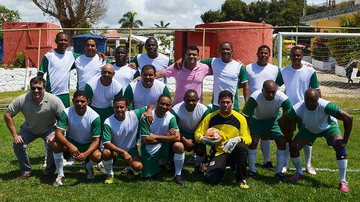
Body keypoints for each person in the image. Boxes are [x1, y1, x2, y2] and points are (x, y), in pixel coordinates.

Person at [286, 89, 352, 193]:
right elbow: (283, 120)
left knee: (340, 146)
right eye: (308, 100)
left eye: (313, 101)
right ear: (304, 99)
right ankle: (299, 173)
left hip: (328, 128)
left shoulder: (325, 105)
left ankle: (343, 181)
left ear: (318, 99)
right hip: (309, 129)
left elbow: (348, 118)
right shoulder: (299, 107)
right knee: (293, 147)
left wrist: (345, 140)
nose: (310, 103)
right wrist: (288, 137)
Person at [4, 76, 65, 179]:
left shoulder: (54, 100)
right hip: (29, 129)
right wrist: (15, 135)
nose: (36, 90)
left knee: (53, 143)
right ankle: (26, 171)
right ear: (30, 88)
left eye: (39, 88)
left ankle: (50, 171)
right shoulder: (23, 99)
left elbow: (64, 119)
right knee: (18, 144)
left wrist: (55, 134)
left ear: (44, 89)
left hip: (49, 128)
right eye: (33, 88)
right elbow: (7, 115)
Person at [195, 90, 251, 188]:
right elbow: (197, 134)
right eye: (223, 102)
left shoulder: (240, 118)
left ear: (232, 102)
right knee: (211, 180)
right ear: (218, 102)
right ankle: (220, 168)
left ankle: (240, 179)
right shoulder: (211, 117)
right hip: (220, 152)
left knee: (242, 147)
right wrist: (204, 139)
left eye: (228, 102)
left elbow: (248, 138)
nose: (225, 105)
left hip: (234, 152)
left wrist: (237, 139)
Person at [278, 46, 320, 175]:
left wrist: (319, 109)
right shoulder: (284, 71)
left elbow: (317, 91)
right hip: (289, 110)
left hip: (306, 109)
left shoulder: (310, 71)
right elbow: (275, 86)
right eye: (294, 55)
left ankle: (308, 165)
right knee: (287, 137)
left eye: (299, 55)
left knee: (307, 138)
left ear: (302, 56)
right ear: (290, 56)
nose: (296, 57)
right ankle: (285, 164)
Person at [50, 90, 102, 187]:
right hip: (71, 141)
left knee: (98, 156)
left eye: (83, 101)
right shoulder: (66, 112)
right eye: (77, 101)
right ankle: (60, 174)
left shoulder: (95, 116)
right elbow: (58, 133)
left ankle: (88, 166)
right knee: (55, 145)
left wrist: (85, 154)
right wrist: (70, 146)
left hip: (87, 144)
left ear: (88, 102)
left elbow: (96, 141)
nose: (80, 104)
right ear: (72, 101)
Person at [242, 80, 292, 180]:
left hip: (273, 120)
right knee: (253, 143)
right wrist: (248, 133)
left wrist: (285, 128)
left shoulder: (282, 98)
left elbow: (290, 114)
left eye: (273, 92)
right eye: (267, 91)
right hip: (257, 120)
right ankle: (252, 171)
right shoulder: (255, 97)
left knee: (282, 142)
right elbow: (246, 116)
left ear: (276, 90)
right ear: (262, 90)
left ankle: (279, 172)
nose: (270, 94)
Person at [246, 45, 284, 169]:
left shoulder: (275, 69)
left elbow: (277, 85)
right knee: (254, 138)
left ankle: (267, 161)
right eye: (261, 53)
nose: (263, 55)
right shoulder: (248, 68)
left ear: (269, 55)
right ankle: (249, 162)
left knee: (266, 135)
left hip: (270, 107)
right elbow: (245, 85)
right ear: (257, 53)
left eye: (266, 53)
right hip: (254, 107)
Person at [101, 96, 153, 184]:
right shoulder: (108, 121)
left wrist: (149, 111)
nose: (119, 109)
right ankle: (109, 174)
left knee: (138, 167)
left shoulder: (134, 114)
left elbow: (150, 105)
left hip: (131, 149)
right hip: (115, 150)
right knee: (106, 152)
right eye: (116, 107)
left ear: (127, 108)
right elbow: (106, 143)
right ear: (113, 108)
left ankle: (129, 166)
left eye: (122, 107)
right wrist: (123, 152)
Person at [140, 94, 185, 185]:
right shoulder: (146, 116)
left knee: (179, 146)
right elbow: (146, 140)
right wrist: (167, 136)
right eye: (162, 104)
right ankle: (161, 163)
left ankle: (178, 175)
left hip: (164, 145)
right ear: (157, 103)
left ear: (170, 106)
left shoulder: (171, 117)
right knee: (147, 177)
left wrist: (156, 136)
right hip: (149, 148)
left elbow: (177, 137)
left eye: (167, 105)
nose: (164, 107)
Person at [200, 41, 249, 111]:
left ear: (232, 51)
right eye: (223, 49)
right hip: (217, 105)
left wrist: (246, 103)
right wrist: (182, 60)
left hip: (233, 106)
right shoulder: (213, 62)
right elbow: (196, 62)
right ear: (219, 51)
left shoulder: (239, 66)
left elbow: (245, 85)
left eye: (228, 49)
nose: (225, 51)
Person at [171, 90, 211, 173]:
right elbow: (174, 129)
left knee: (201, 144)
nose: (191, 103)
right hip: (181, 133)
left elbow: (204, 128)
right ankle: (172, 163)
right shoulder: (176, 109)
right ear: (184, 99)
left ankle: (199, 165)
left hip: (197, 133)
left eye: (193, 100)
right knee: (177, 146)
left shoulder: (204, 110)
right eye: (188, 100)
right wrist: (185, 140)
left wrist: (197, 139)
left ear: (198, 100)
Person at [37, 32, 74, 108]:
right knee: (50, 118)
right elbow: (40, 75)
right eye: (61, 40)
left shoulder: (71, 55)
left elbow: (86, 57)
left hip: (65, 94)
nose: (63, 42)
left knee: (64, 117)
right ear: (56, 41)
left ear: (68, 42)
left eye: (65, 40)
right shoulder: (49, 56)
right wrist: (40, 90)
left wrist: (98, 53)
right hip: (51, 94)